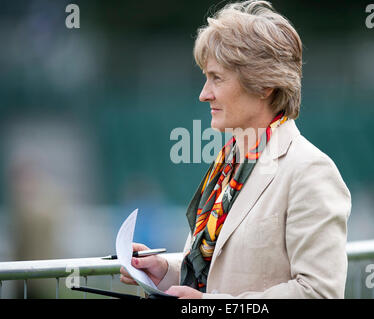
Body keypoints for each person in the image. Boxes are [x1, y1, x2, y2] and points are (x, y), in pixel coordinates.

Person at [120, 0, 351, 299]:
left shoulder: (310, 171)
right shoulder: (228, 164)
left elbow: (320, 293)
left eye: (216, 78)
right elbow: (222, 273)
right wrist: (164, 271)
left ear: (264, 85)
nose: (204, 94)